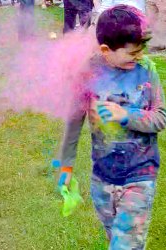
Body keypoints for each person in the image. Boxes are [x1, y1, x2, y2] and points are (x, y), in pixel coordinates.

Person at [59, 5, 166, 249]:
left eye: (141, 50)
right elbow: (73, 123)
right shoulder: (87, 73)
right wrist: (66, 166)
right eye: (132, 53)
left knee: (124, 245)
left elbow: (161, 117)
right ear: (106, 50)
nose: (139, 57)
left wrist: (126, 114)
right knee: (115, 239)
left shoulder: (147, 70)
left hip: (140, 174)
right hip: (103, 178)